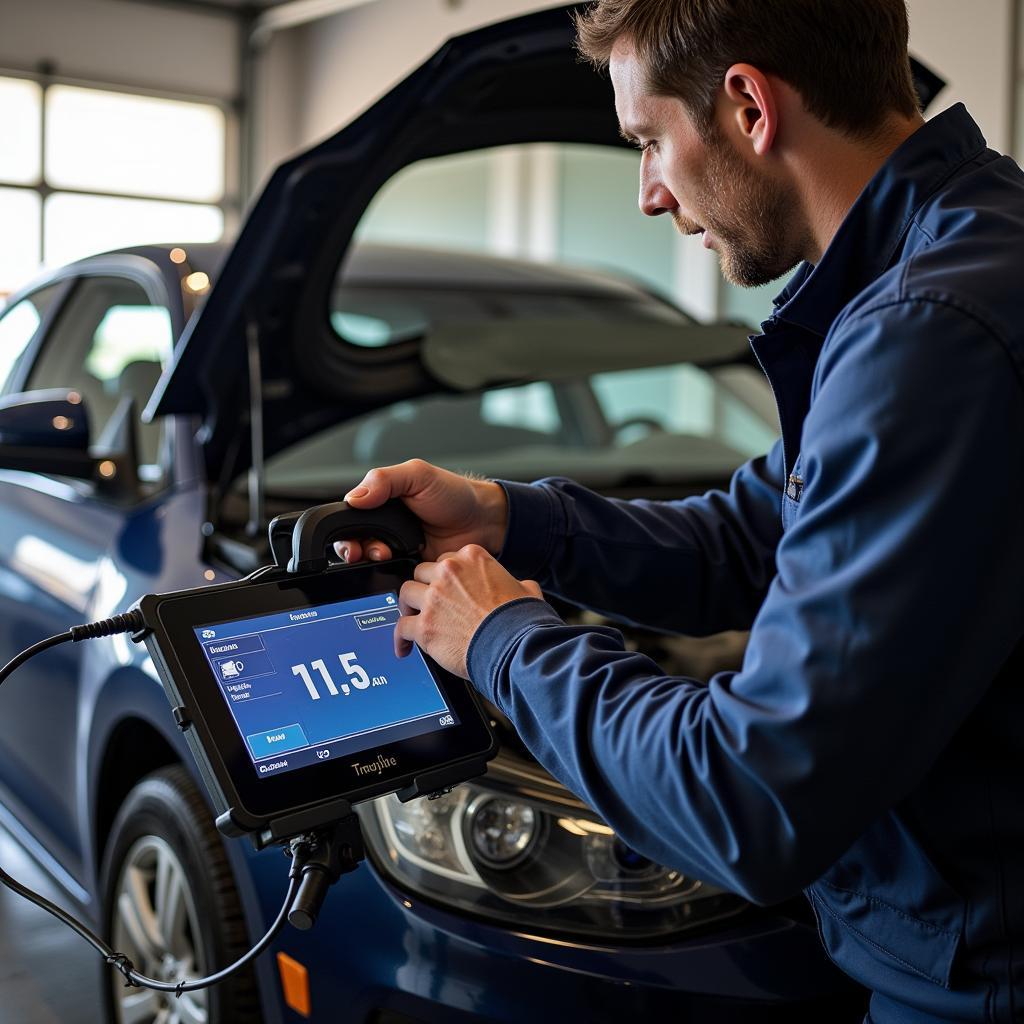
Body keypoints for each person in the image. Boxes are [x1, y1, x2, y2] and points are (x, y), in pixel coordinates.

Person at [335, 2, 1024, 1020]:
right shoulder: (961, 249)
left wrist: (502, 639)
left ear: (748, 105)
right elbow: (752, 533)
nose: (649, 193)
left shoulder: (929, 335)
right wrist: (505, 516)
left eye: (649, 139)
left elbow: (753, 797)